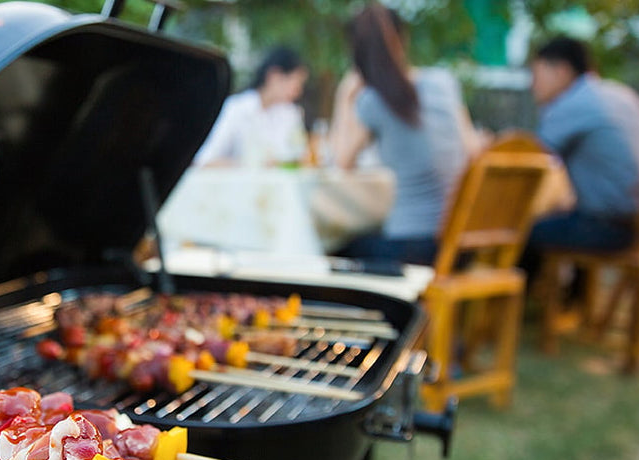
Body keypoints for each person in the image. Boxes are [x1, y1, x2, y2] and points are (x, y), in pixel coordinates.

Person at [328, 2, 483, 266]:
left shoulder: (373, 100)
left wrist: (344, 96)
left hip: (413, 248)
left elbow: (340, 164)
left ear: (357, 55)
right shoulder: (444, 83)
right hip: (460, 246)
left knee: (333, 247)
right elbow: (473, 152)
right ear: (404, 39)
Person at [526, 36, 639, 255]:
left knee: (519, 231)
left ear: (561, 71)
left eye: (535, 74)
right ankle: (573, 290)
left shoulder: (574, 102)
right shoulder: (622, 94)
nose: (532, 85)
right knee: (562, 216)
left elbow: (529, 160)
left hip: (606, 228)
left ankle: (527, 289)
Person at [193, 46, 309, 167]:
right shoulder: (236, 108)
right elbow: (204, 159)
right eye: (296, 84)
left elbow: (299, 157)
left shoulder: (290, 113)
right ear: (274, 76)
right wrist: (248, 165)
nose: (298, 92)